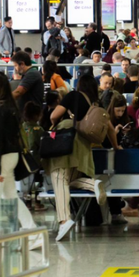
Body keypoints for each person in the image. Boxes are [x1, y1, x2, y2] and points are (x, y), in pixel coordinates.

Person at [47, 74, 119, 241]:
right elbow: (109, 128)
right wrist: (116, 146)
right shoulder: (96, 104)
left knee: (58, 177)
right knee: (68, 179)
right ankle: (92, 183)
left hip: (66, 141)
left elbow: (54, 116)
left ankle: (64, 219)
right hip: (84, 146)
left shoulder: (73, 96)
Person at [0, 73, 41, 248]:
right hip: (11, 156)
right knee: (10, 197)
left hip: (0, 157)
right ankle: (32, 233)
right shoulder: (10, 107)